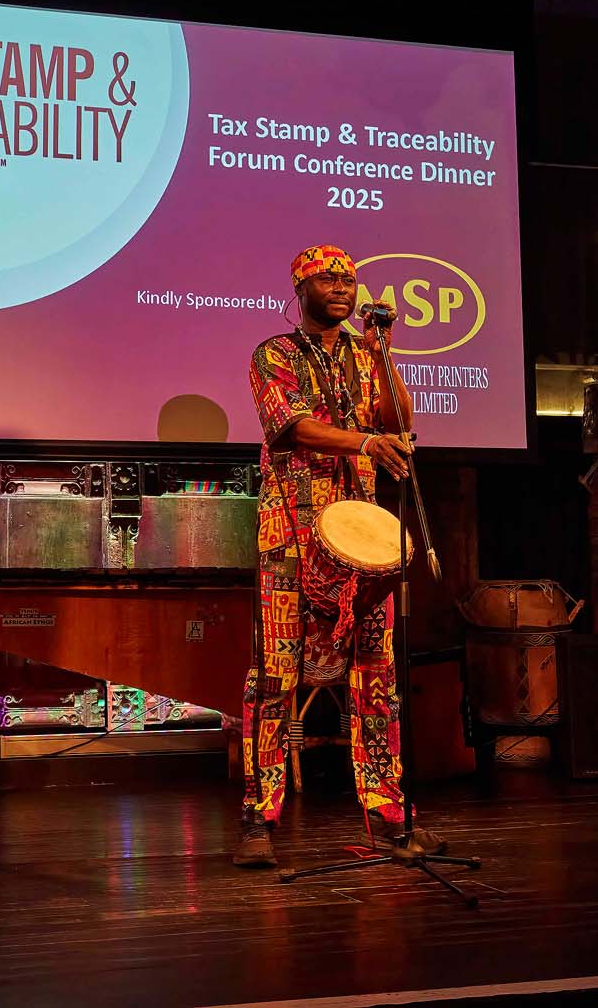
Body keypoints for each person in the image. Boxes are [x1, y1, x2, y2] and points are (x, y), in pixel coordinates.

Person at [233, 243, 445, 867]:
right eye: (327, 279)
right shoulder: (273, 353)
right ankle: (258, 818)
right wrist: (366, 442)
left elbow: (397, 420)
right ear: (299, 288)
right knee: (275, 676)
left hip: (361, 536)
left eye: (349, 280)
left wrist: (384, 357)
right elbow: (292, 426)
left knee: (376, 676)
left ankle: (392, 817)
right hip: (289, 534)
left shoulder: (364, 354)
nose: (343, 288)